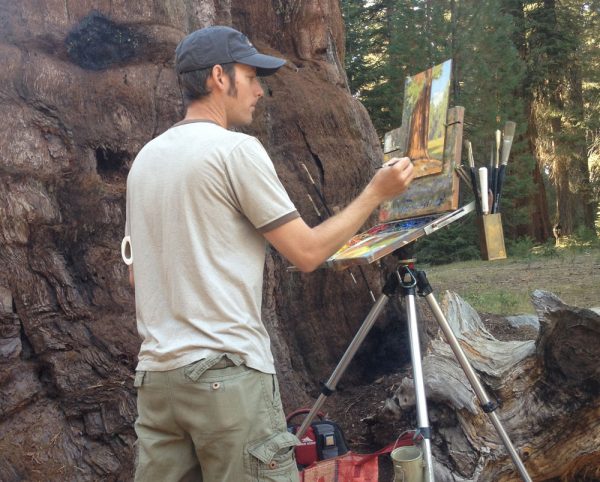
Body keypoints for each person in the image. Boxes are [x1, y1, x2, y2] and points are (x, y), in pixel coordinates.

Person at [124, 25, 413, 482]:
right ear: (219, 77)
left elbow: (138, 278)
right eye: (251, 75)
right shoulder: (235, 150)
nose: (260, 89)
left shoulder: (145, 161)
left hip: (157, 380)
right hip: (227, 379)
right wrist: (374, 194)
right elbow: (306, 252)